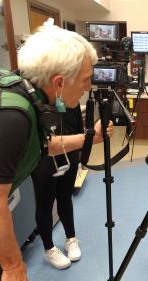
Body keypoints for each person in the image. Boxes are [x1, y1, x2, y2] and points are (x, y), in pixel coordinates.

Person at [0, 25, 113, 281]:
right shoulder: (10, 116)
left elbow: (46, 145)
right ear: (59, 82)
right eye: (85, 79)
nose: (89, 86)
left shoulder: (29, 98)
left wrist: (92, 138)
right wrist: (14, 268)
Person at [31, 105, 86, 270]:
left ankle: (71, 238)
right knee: (44, 203)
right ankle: (49, 249)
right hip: (44, 159)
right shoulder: (37, 101)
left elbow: (78, 130)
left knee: (65, 197)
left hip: (69, 154)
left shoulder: (71, 100)